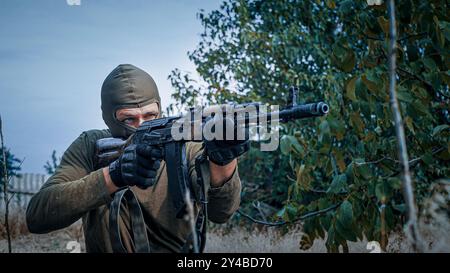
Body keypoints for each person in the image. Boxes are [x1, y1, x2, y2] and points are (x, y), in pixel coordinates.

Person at [26, 64, 249, 252]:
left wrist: (224, 160)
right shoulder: (90, 145)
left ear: (160, 110)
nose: (142, 125)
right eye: (129, 119)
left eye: (150, 115)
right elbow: (37, 216)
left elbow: (222, 213)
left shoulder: (187, 147)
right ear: (109, 118)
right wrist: (114, 175)